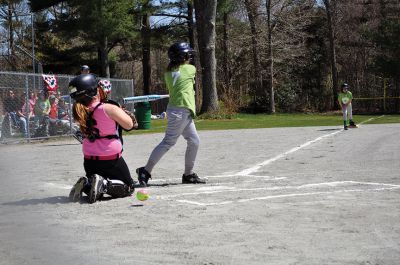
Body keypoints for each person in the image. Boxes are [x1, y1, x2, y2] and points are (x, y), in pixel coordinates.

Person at [136, 42, 205, 187]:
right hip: (180, 111)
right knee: (168, 142)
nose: (189, 56)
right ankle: (145, 171)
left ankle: (188, 174)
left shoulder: (168, 72)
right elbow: (190, 75)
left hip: (181, 111)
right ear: (182, 56)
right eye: (187, 54)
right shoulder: (190, 69)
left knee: (194, 141)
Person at [68, 74, 137, 204]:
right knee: (128, 187)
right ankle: (104, 184)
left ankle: (87, 185)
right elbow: (129, 125)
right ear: (93, 91)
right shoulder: (108, 108)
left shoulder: (78, 111)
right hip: (110, 159)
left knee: (96, 187)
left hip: (89, 160)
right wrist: (122, 113)